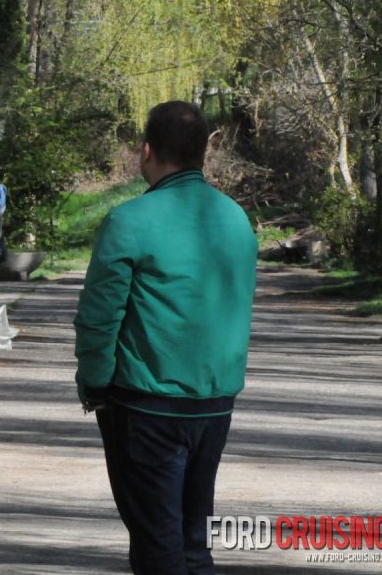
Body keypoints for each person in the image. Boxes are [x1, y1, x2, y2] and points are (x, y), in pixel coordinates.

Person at [73, 101, 258, 574]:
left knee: (157, 541)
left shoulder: (130, 220)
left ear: (147, 151)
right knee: (194, 540)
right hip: (215, 402)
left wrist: (95, 383)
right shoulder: (236, 218)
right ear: (203, 154)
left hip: (146, 405)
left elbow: (99, 317)